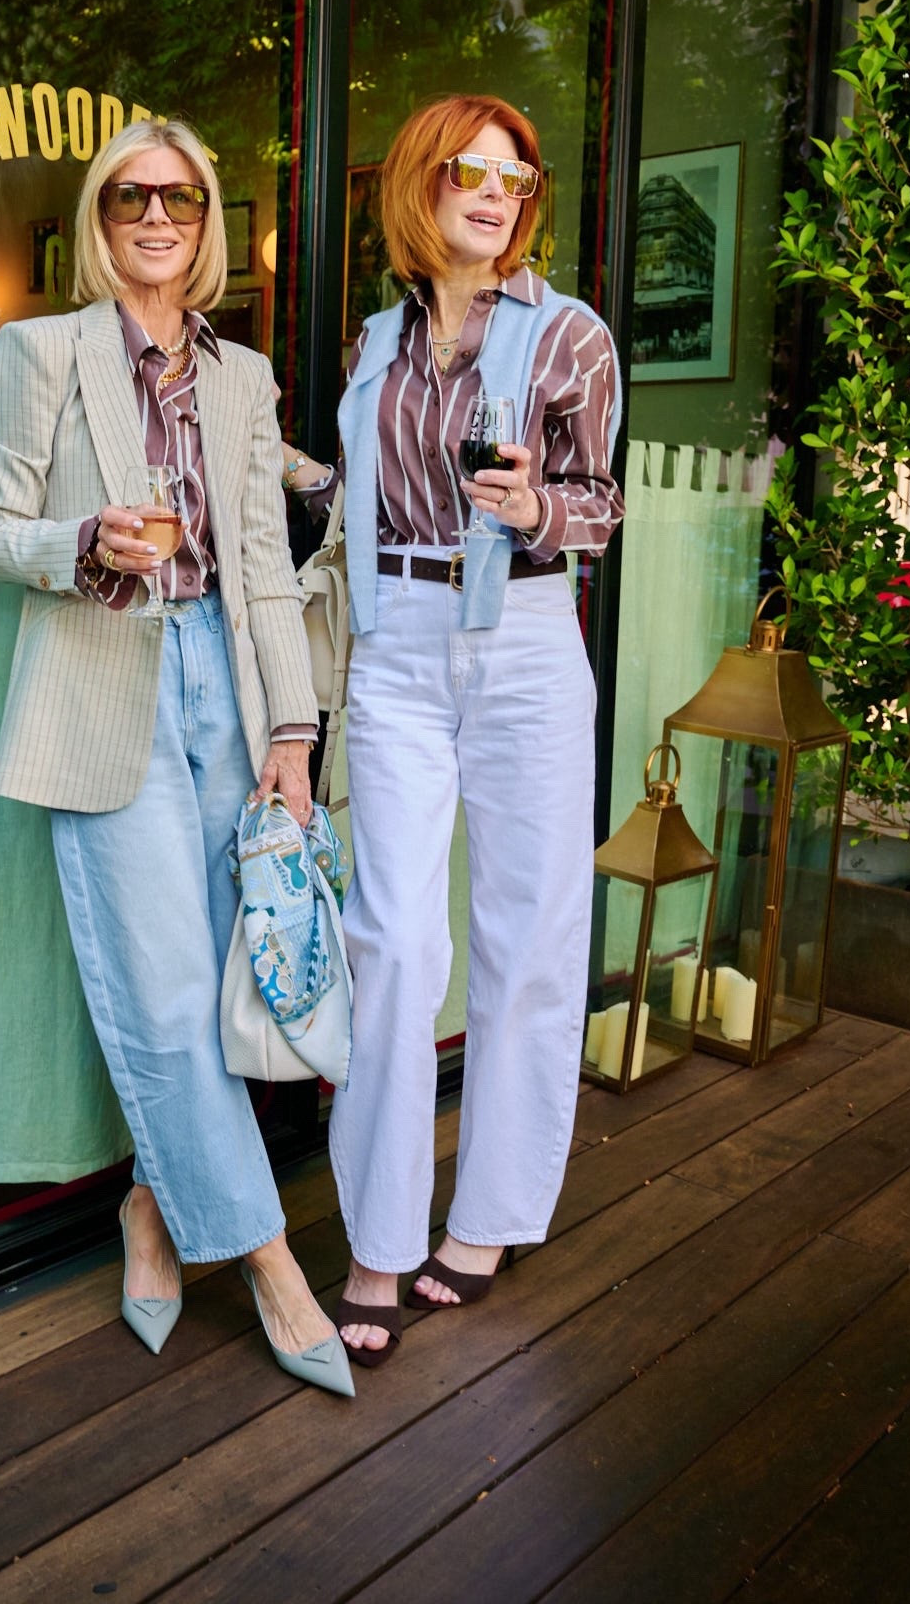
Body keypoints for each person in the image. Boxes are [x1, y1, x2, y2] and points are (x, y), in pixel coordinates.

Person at [0, 117, 354, 1397]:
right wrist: (82, 539)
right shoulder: (40, 349)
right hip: (105, 676)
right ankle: (264, 1258)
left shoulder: (240, 376)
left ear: (205, 228)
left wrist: (292, 734)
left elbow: (259, 563)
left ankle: (149, 1208)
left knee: (217, 976)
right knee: (159, 984)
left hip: (228, 690)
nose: (154, 217)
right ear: (101, 216)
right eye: (131, 196)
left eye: (180, 200)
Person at [281, 93, 624, 1366]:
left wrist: (537, 501)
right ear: (419, 188)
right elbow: (367, 498)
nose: (495, 193)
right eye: (468, 171)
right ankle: (377, 1236)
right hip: (396, 647)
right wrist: (298, 473)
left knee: (526, 931)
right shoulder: (376, 344)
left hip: (524, 639)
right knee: (391, 937)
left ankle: (485, 1219)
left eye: (516, 179)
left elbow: (599, 506)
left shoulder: (570, 337)